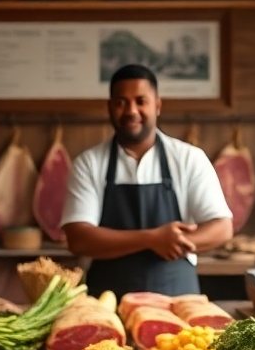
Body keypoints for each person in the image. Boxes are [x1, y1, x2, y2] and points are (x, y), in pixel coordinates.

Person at [61, 63, 233, 296]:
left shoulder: (189, 158)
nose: (131, 111)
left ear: (157, 106)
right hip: (108, 302)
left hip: (177, 297)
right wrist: (153, 239)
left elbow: (221, 228)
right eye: (121, 102)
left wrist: (173, 242)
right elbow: (79, 239)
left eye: (141, 101)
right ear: (110, 107)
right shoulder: (89, 163)